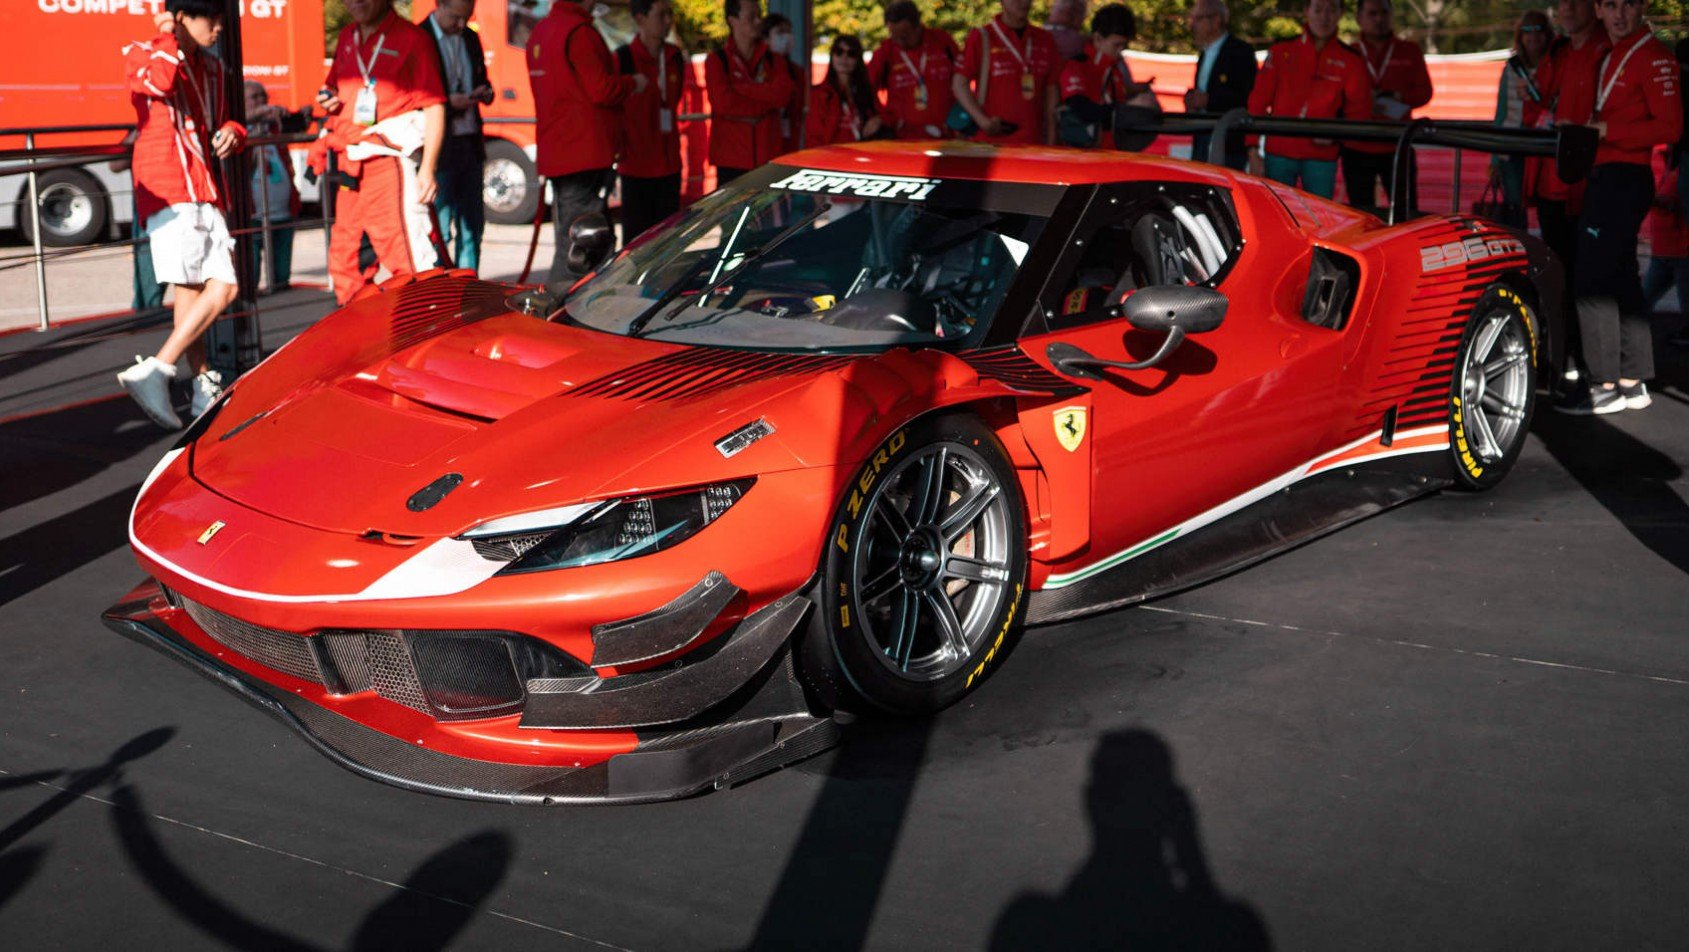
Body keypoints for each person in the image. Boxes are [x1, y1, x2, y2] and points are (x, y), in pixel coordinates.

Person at [115, 1, 247, 430]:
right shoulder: (144, 51)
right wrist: (168, 34)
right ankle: (166, 371)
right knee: (218, 288)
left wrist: (235, 132)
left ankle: (196, 383)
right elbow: (162, 81)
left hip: (203, 186)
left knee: (197, 291)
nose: (220, 29)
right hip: (170, 185)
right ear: (183, 17)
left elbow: (225, 120)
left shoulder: (213, 68)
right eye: (212, 19)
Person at [1559, 0, 1680, 415]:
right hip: (1607, 176)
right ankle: (1632, 380)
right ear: (1597, 9)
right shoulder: (1610, 54)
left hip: (1624, 178)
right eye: (1610, 4)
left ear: (1642, 6)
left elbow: (1671, 126)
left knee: (1592, 279)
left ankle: (1603, 384)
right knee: (1621, 274)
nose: (1620, 13)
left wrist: (1609, 129)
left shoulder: (1654, 56)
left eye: (1629, 3)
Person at [319, 0, 446, 303]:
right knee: (345, 259)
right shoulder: (348, 37)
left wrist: (428, 169)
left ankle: (430, 327)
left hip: (389, 161)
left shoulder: (414, 39)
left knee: (408, 253)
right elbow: (333, 86)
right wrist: (328, 98)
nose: (355, 3)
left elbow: (435, 107)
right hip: (350, 160)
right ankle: (359, 336)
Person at [528, 0, 643, 282]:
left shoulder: (541, 31)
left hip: (561, 151)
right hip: (585, 152)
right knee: (584, 246)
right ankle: (564, 314)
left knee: (577, 239)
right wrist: (633, 83)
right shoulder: (579, 33)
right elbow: (602, 89)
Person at [1245, 0, 1370, 199]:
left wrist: (1336, 134)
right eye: (1318, 9)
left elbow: (1359, 113)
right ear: (1306, 11)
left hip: (1321, 157)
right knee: (1276, 217)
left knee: (1319, 220)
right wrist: (1252, 150)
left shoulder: (1351, 60)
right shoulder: (1281, 52)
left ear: (1340, 13)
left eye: (1331, 10)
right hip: (1279, 153)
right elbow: (1257, 102)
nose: (1324, 16)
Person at [1340, 0, 1432, 209]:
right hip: (1357, 145)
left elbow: (1425, 93)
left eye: (1384, 13)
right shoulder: (1348, 52)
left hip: (1397, 143)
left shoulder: (1410, 51)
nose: (1379, 19)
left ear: (1391, 15)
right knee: (1360, 213)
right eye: (1372, 14)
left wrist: (1401, 97)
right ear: (1359, 18)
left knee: (1405, 212)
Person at [425, 0, 493, 272]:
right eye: (455, 17)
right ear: (439, 5)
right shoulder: (422, 38)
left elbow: (483, 79)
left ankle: (468, 287)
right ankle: (439, 292)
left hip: (470, 143)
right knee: (439, 229)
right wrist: (446, 103)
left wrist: (484, 92)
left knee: (472, 226)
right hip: (439, 147)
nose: (460, 25)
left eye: (466, 18)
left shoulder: (470, 38)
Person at [616, 0, 690, 243]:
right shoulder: (623, 58)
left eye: (670, 14)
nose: (668, 21)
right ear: (641, 19)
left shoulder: (674, 57)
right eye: (661, 15)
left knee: (668, 243)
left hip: (669, 166)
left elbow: (675, 98)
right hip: (635, 168)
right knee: (636, 245)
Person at [952, 0, 1063, 146]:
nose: (1023, 3)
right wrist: (983, 121)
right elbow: (959, 84)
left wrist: (1051, 142)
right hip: (991, 144)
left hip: (1033, 146)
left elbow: (1052, 93)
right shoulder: (982, 37)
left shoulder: (1045, 39)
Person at [705, 0, 792, 185]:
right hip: (730, 160)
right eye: (751, 17)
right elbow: (723, 104)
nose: (758, 21)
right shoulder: (717, 60)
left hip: (769, 159)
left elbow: (783, 95)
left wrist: (742, 89)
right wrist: (765, 103)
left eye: (759, 15)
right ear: (732, 20)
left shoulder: (774, 59)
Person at [1057, 5, 1155, 149]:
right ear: (1097, 38)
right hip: (1083, 156)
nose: (1120, 51)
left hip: (1114, 155)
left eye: (1124, 46)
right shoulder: (1076, 67)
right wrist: (1128, 110)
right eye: (1116, 45)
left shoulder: (1115, 71)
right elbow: (1081, 111)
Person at [866, 1, 960, 140]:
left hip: (947, 135)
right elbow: (866, 88)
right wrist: (884, 117)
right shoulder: (886, 52)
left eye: (903, 36)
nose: (898, 41)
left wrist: (959, 118)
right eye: (893, 35)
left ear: (917, 27)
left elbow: (964, 79)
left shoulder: (942, 42)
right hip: (903, 139)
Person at [243, 81, 304, 293]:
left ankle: (279, 294)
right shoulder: (238, 130)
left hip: (283, 213)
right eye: (255, 97)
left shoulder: (274, 127)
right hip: (253, 216)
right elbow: (241, 170)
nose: (262, 102)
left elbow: (300, 124)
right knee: (249, 277)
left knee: (281, 279)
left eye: (264, 97)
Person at [1489, 11, 1552, 217]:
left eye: (1538, 29)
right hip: (1512, 145)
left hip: (1543, 146)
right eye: (1527, 30)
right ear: (1520, 35)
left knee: (1547, 204)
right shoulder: (1511, 68)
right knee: (1514, 208)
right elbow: (1501, 114)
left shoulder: (1556, 65)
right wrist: (1495, 161)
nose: (1533, 36)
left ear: (1547, 33)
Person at [1183, 0, 1256, 169]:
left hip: (1228, 142)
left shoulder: (1240, 52)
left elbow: (1245, 96)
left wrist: (1209, 100)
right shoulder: (1204, 53)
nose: (1192, 25)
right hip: (1202, 136)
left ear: (1216, 20)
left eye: (1197, 19)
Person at [807, 35, 890, 147]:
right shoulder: (820, 94)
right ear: (832, 56)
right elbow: (813, 138)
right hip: (830, 160)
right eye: (839, 52)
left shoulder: (866, 92)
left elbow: (888, 116)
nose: (844, 58)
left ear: (858, 60)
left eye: (851, 54)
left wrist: (879, 119)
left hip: (862, 157)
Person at [1642, 164, 1688, 317]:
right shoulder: (1667, 166)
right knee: (1642, 302)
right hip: (1664, 249)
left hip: (1681, 250)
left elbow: (1673, 204)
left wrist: (1649, 198)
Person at [758, 13, 806, 153]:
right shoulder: (760, 68)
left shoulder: (797, 71)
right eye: (780, 32)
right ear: (766, 38)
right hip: (765, 140)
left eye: (788, 31)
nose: (786, 37)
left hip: (790, 138)